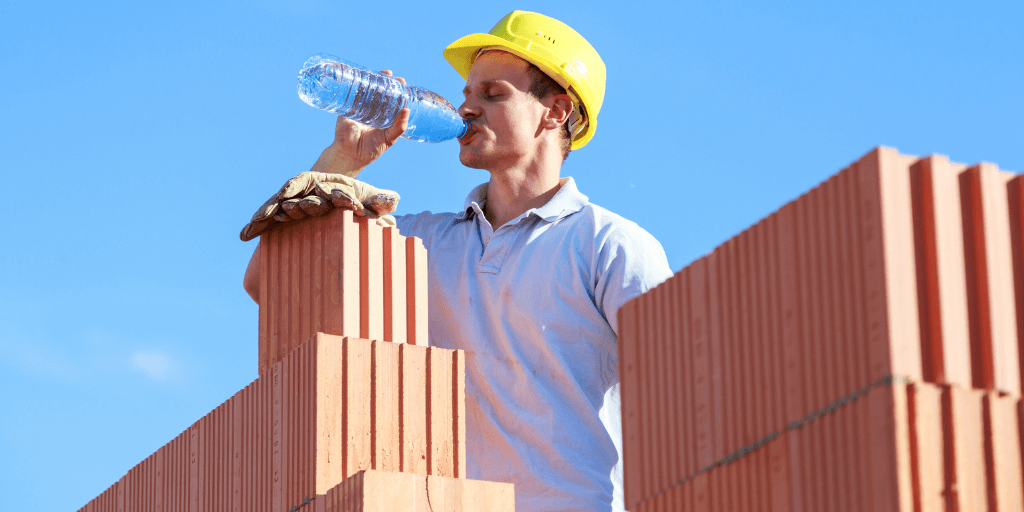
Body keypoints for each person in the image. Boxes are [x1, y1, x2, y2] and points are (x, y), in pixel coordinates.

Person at [243, 11, 672, 512]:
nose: (466, 110)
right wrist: (342, 161)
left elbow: (683, 379)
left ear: (555, 111)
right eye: (466, 96)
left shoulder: (608, 243)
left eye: (492, 94)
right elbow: (269, 284)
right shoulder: (420, 241)